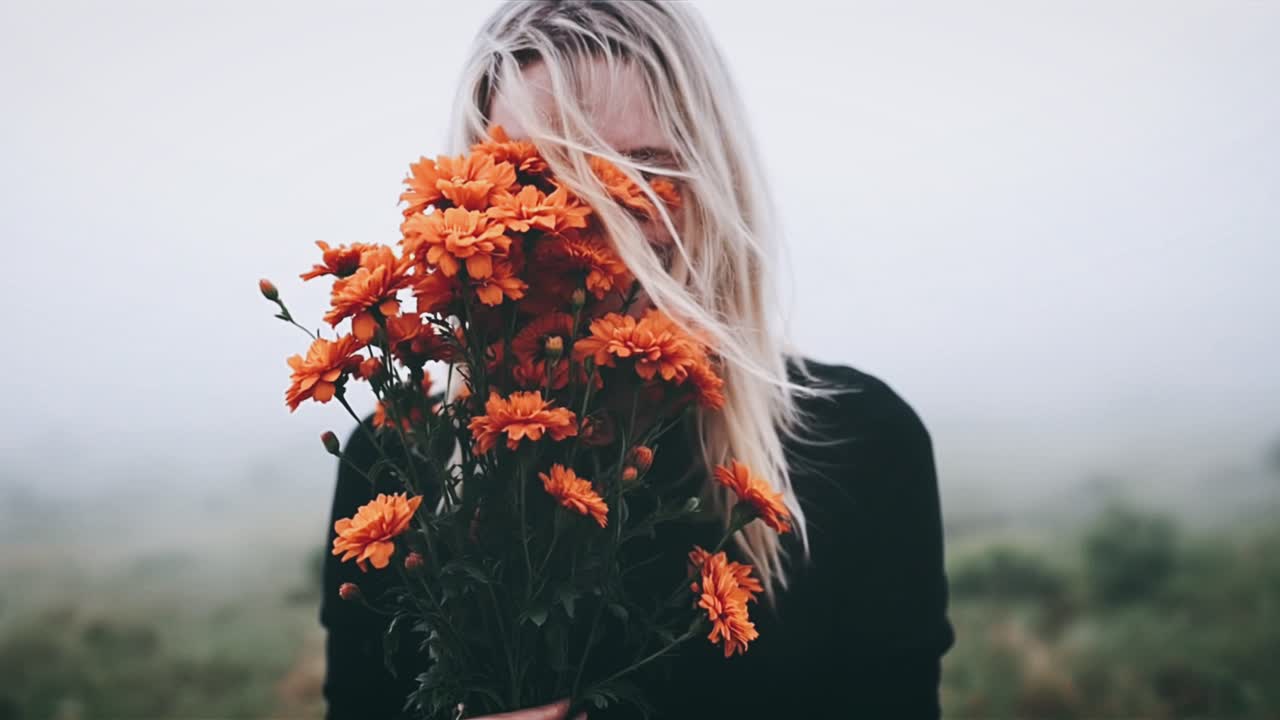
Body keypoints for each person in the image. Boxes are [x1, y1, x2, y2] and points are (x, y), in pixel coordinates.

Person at [319, 2, 954, 718]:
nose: (594, 215)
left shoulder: (863, 445)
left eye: (640, 172)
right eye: (542, 172)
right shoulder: (402, 463)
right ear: (475, 192)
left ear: (716, 185)